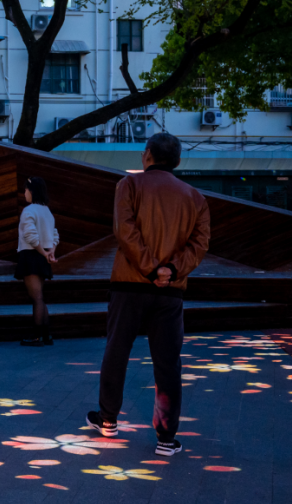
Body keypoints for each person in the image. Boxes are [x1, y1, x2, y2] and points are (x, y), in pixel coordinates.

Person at [85, 132, 210, 457]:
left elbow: (124, 230)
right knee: (168, 363)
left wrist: (151, 268)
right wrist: (171, 270)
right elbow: (200, 244)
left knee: (117, 351)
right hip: (171, 292)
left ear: (147, 155)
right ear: (178, 160)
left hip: (129, 284)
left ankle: (108, 419)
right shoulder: (195, 197)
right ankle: (166, 439)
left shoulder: (129, 186)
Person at [15, 177, 59, 346]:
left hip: (31, 256)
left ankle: (37, 335)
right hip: (43, 257)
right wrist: (50, 252)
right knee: (40, 296)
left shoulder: (29, 211)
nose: (24, 193)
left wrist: (43, 252)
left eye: (26, 190)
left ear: (31, 191)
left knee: (37, 298)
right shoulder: (46, 211)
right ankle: (46, 334)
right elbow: (54, 233)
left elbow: (30, 236)